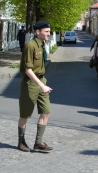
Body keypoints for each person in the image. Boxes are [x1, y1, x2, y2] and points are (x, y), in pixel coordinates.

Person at [17, 20, 53, 152]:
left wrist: (43, 84)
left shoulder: (42, 44)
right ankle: (21, 142)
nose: (49, 34)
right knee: (25, 114)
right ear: (38, 32)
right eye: (46, 32)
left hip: (41, 81)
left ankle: (38, 142)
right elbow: (28, 70)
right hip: (30, 83)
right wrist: (41, 86)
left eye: (49, 32)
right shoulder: (30, 46)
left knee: (46, 111)